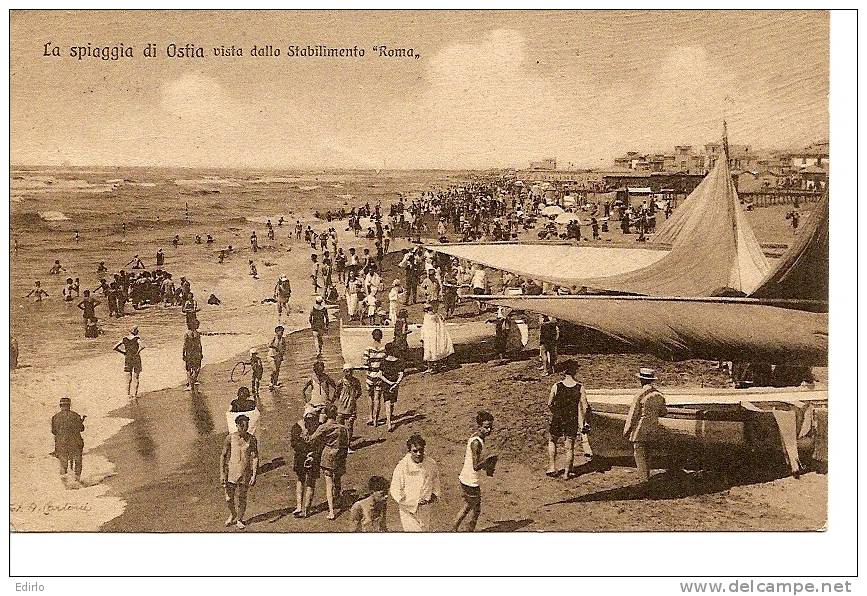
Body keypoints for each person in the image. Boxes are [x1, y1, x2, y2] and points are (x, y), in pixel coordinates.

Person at [453, 411, 497, 532]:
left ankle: (455, 529)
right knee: (474, 509)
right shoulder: (476, 442)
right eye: (486, 427)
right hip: (470, 481)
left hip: (467, 479)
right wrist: (488, 461)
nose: (489, 430)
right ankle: (463, 530)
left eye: (490, 427)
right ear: (479, 426)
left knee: (469, 507)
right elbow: (476, 466)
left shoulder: (477, 437)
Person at [623, 367, 668, 484]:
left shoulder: (640, 395)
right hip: (653, 427)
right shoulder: (659, 395)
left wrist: (626, 430)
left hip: (640, 428)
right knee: (649, 454)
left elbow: (633, 414)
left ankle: (644, 479)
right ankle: (647, 475)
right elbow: (663, 412)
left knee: (639, 454)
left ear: (641, 380)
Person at [547, 360, 591, 478]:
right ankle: (567, 473)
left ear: (564, 372)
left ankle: (552, 467)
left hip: (558, 417)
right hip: (572, 418)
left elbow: (549, 403)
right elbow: (585, 406)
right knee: (569, 447)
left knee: (552, 441)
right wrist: (584, 421)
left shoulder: (556, 386)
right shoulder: (580, 387)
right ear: (574, 371)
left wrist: (555, 412)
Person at [390, 433, 441, 531]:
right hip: (408, 511)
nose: (418, 453)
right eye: (415, 451)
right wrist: (413, 502)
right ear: (409, 451)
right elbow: (395, 490)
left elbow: (436, 480)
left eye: (421, 450)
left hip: (425, 509)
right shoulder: (402, 467)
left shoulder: (431, 463)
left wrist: (433, 495)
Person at [308, 405, 349, 520]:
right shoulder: (343, 428)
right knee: (337, 479)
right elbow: (346, 444)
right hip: (340, 455)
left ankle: (331, 511)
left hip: (328, 456)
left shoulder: (324, 427)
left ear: (326, 415)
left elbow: (311, 439)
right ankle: (339, 500)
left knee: (328, 484)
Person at [220, 415, 259, 530]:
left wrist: (254, 474)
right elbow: (223, 455)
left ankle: (239, 519)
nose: (244, 428)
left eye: (246, 426)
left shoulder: (252, 439)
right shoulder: (230, 438)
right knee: (229, 498)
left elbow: (255, 456)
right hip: (231, 472)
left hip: (245, 473)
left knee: (242, 497)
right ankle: (232, 514)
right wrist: (222, 473)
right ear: (236, 426)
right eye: (242, 426)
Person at [290, 406, 321, 518]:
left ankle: (299, 507)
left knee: (301, 480)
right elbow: (320, 444)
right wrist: (311, 454)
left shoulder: (297, 426)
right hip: (313, 457)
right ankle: (305, 509)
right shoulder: (318, 427)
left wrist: (304, 452)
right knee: (310, 482)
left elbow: (294, 443)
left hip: (300, 456)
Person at [52, 397, 85, 487]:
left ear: (60, 406)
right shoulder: (75, 415)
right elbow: (81, 429)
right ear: (69, 405)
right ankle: (77, 479)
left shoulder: (55, 417)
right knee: (77, 461)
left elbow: (54, 431)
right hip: (75, 443)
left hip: (61, 444)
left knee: (63, 463)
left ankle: (65, 483)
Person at [362, 328, 386, 427]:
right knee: (377, 398)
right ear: (381, 336)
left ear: (372, 336)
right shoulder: (384, 349)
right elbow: (385, 363)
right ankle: (376, 420)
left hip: (370, 376)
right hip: (379, 376)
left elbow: (364, 362)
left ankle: (370, 417)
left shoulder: (368, 348)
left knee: (370, 397)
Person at [335, 364, 362, 452]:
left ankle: (348, 446)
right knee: (340, 427)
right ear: (344, 372)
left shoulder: (356, 381)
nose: (349, 373)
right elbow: (337, 393)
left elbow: (359, 392)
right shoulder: (341, 382)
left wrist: (353, 399)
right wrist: (343, 399)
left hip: (351, 407)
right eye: (347, 371)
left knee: (349, 426)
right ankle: (340, 446)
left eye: (350, 371)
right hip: (342, 407)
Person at [420, 303, 454, 373]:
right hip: (432, 334)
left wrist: (422, 335)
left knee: (430, 350)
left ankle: (432, 367)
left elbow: (425, 326)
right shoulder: (434, 316)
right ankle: (434, 367)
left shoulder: (429, 316)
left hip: (430, 335)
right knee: (433, 349)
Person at [379, 342, 404, 432]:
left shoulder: (383, 361)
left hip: (386, 384)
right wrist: (396, 383)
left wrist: (388, 382)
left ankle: (389, 421)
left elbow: (380, 375)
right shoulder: (399, 361)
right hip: (394, 384)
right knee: (391, 402)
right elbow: (401, 374)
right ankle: (389, 422)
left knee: (388, 402)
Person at [114, 327, 143, 399]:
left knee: (128, 378)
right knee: (136, 377)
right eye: (137, 330)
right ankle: (135, 395)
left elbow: (114, 347)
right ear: (135, 331)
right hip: (136, 358)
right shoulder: (137, 339)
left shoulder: (124, 339)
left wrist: (123, 352)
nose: (138, 331)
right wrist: (138, 352)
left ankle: (127, 395)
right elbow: (143, 346)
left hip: (128, 358)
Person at [183, 319, 203, 391]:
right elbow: (199, 345)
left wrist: (183, 354)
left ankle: (190, 384)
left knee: (188, 369)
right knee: (196, 368)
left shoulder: (187, 334)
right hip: (196, 352)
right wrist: (201, 352)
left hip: (189, 353)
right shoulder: (197, 334)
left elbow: (185, 345)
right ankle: (193, 381)